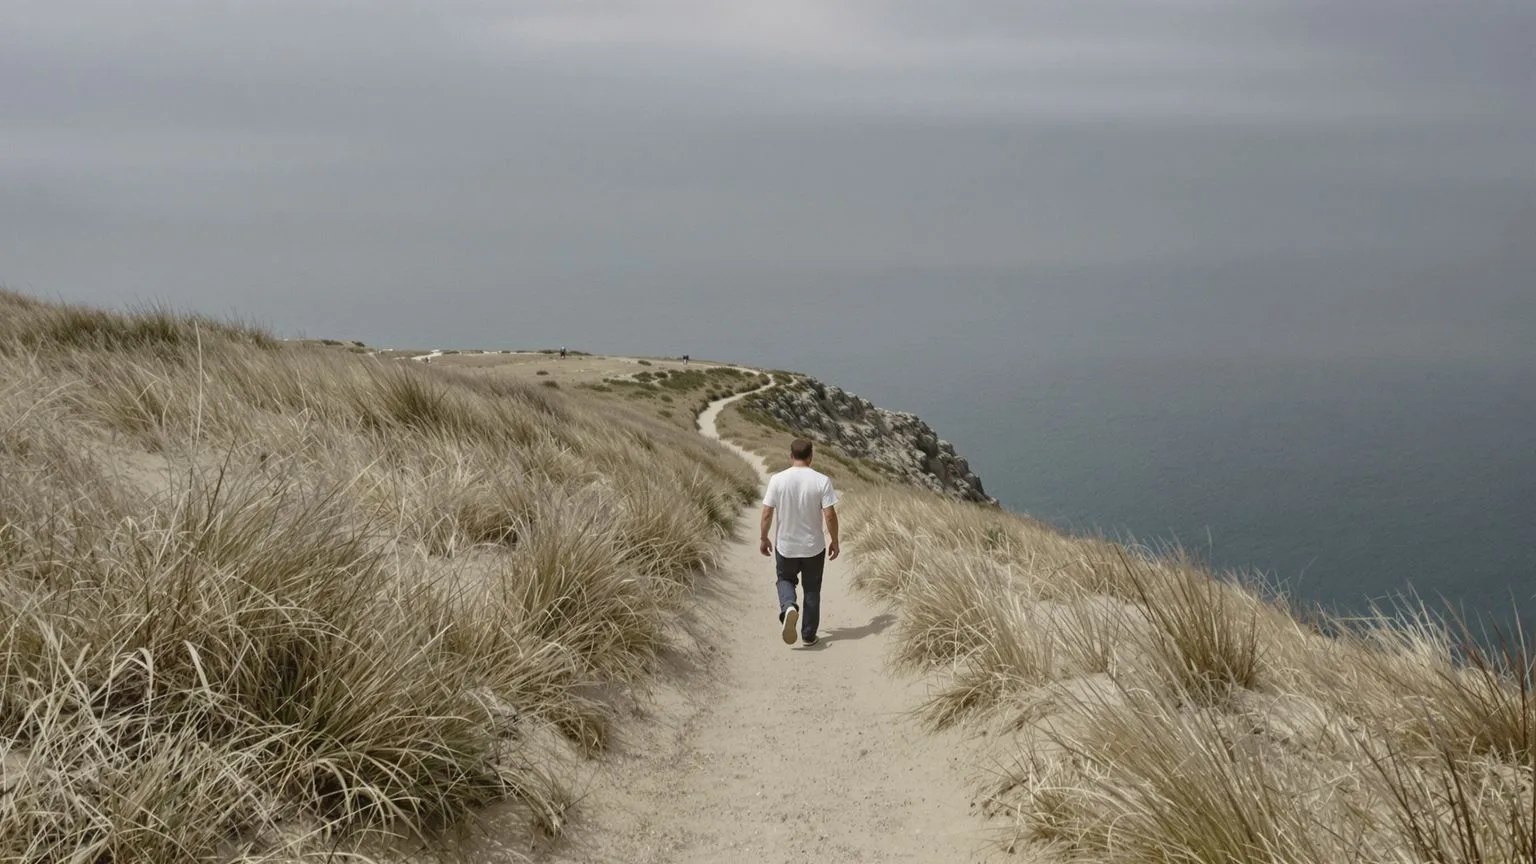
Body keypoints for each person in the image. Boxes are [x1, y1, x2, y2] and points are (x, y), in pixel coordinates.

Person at [759, 437, 840, 646]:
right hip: (814, 547)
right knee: (812, 589)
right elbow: (830, 515)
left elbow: (767, 512)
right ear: (811, 457)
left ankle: (788, 607)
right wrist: (835, 541)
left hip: (785, 546)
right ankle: (808, 635)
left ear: (791, 455)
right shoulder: (822, 480)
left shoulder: (777, 480)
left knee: (785, 579)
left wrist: (763, 537)